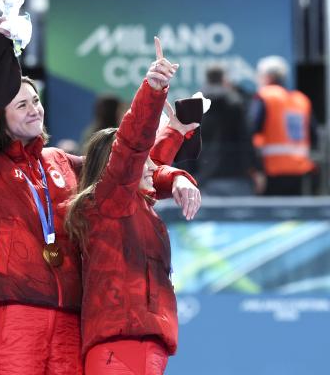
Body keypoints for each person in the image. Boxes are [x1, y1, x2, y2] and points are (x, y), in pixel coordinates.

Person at [0, 18, 200, 374]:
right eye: (21, 105)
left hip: (72, 316)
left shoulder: (60, 161)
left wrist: (171, 176)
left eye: (36, 101)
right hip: (13, 313)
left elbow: (123, 169)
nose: (34, 109)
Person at [65, 39, 200, 375]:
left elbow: (151, 160)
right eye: (142, 158)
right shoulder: (110, 202)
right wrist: (153, 89)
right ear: (116, 166)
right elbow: (133, 148)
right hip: (122, 343)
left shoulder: (135, 203)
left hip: (142, 340)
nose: (153, 165)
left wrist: (177, 133)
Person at [250, 55, 317, 195]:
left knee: (270, 214)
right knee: (294, 214)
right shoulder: (301, 100)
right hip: (299, 169)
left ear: (267, 77)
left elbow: (252, 128)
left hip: (271, 169)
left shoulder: (265, 96)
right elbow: (313, 134)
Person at [192, 64, 255, 195]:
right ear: (223, 78)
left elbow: (188, 141)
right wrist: (255, 168)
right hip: (235, 173)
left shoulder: (195, 104)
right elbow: (245, 138)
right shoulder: (236, 102)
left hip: (204, 173)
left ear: (207, 78)